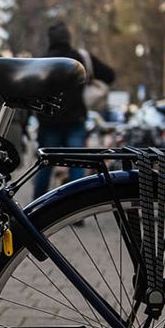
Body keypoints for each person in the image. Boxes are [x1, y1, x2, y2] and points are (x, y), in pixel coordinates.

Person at [32, 20, 116, 196]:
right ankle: (77, 204)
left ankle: (34, 209)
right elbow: (109, 75)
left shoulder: (42, 62)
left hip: (49, 121)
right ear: (68, 38)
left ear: (51, 39)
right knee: (77, 163)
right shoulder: (80, 59)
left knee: (45, 164)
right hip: (75, 119)